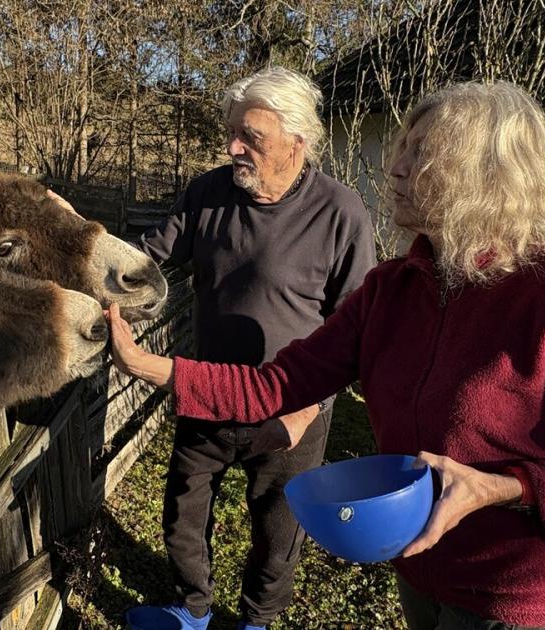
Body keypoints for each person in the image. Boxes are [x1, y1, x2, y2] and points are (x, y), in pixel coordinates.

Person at [107, 81, 545, 630]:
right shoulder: (393, 288)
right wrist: (150, 367)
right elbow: (281, 383)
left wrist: (503, 488)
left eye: (422, 154)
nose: (395, 168)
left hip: (512, 602)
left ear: (487, 176)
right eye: (403, 149)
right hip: (418, 575)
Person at [125, 66, 376, 630]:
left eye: (252, 138)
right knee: (184, 513)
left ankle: (257, 621)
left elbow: (355, 328)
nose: (234, 147)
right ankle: (191, 609)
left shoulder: (341, 213)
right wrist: (82, 243)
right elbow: (145, 260)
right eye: (233, 132)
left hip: (292, 407)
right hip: (207, 393)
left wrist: (303, 412)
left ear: (297, 141)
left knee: (277, 530)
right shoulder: (209, 193)